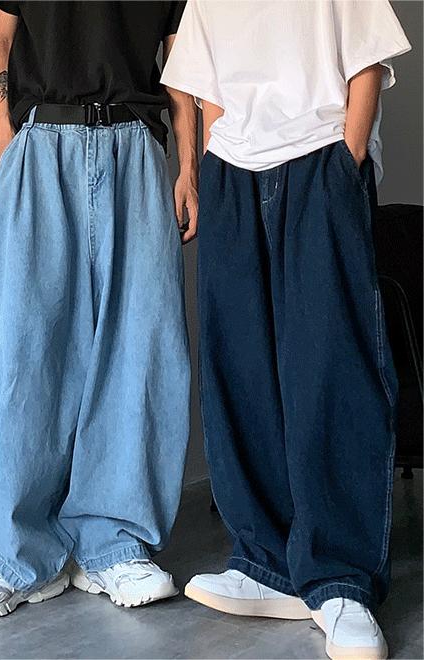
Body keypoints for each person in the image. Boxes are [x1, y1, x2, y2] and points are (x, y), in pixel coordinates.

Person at [161, 1, 410, 657]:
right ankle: (264, 562)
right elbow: (207, 83)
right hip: (231, 169)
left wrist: (347, 159)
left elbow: (367, 61)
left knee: (332, 369)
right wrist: (213, 159)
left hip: (320, 157)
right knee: (238, 368)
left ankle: (343, 581)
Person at [0, 0, 198, 618]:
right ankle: (13, 554)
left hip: (135, 144)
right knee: (21, 349)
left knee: (139, 349)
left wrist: (189, 166)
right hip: (41, 142)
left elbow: (182, 61)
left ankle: (115, 545)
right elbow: (1, 40)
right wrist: (5, 131)